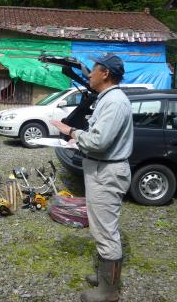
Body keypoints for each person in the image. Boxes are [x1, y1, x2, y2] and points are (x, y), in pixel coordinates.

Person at [51, 53, 133, 302]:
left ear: (105, 73)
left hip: (107, 172)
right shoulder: (108, 99)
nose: (89, 74)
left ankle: (109, 292)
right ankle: (105, 276)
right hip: (101, 169)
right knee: (100, 226)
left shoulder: (114, 101)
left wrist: (71, 131)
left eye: (93, 69)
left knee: (106, 230)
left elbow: (98, 141)